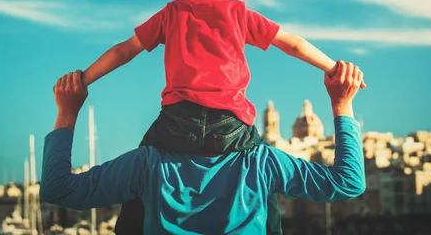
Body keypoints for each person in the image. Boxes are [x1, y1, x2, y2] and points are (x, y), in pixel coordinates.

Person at [76, 0, 366, 234]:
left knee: (140, 181)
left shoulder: (170, 13)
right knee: (264, 191)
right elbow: (292, 44)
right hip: (231, 123)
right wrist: (334, 67)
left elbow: (124, 51)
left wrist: (85, 79)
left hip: (177, 120)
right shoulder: (240, 13)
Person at [41, 61, 366, 234]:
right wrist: (341, 104)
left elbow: (59, 189)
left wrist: (67, 110)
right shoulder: (261, 164)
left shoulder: (147, 165)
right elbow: (347, 182)